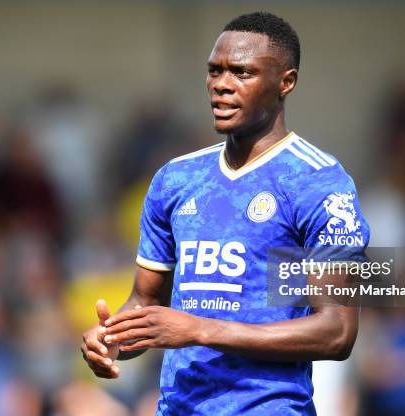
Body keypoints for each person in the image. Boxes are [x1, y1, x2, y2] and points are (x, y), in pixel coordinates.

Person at [81, 11, 370, 415]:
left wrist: (199, 329)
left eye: (242, 73)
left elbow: (337, 331)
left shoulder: (318, 183)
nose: (221, 85)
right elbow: (145, 303)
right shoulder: (176, 179)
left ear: (286, 82)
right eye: (214, 71)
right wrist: (112, 339)